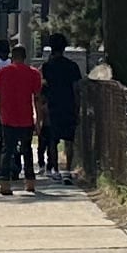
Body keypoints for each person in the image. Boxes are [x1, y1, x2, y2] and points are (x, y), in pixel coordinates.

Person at [0, 44, 44, 189]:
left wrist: (0, 114)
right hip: (26, 117)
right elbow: (37, 98)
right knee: (27, 150)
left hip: (8, 117)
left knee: (7, 150)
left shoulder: (3, 72)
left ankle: (5, 183)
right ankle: (30, 182)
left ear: (11, 57)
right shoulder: (33, 73)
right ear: (25, 57)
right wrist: (38, 120)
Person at [38, 33, 85, 180]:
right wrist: (78, 107)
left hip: (52, 106)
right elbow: (76, 89)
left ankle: (55, 169)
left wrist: (42, 108)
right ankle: (68, 169)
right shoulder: (72, 66)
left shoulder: (46, 67)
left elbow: (42, 89)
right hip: (69, 104)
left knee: (53, 139)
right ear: (64, 47)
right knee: (69, 139)